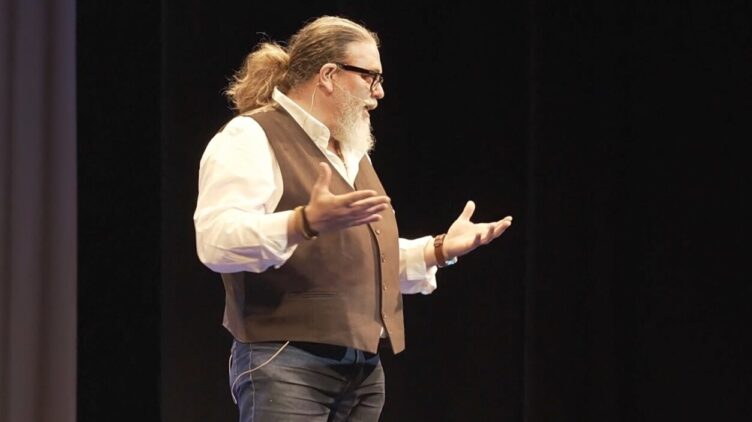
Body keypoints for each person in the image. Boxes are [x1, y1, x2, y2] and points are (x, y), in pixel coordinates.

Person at [193, 15, 513, 422]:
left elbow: (357, 261)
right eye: (369, 77)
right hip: (288, 362)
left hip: (361, 371)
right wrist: (302, 222)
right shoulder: (252, 136)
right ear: (328, 75)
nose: (379, 92)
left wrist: (438, 250)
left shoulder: (350, 152)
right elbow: (217, 240)